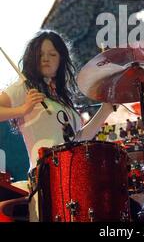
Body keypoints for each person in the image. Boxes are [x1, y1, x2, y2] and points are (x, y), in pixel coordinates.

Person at [0, 30, 114, 221]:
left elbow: (78, 140)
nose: (46, 59)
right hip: (44, 174)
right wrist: (23, 109)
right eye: (41, 54)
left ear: (61, 59)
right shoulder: (25, 87)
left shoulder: (63, 98)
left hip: (73, 173)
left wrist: (105, 110)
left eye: (52, 54)